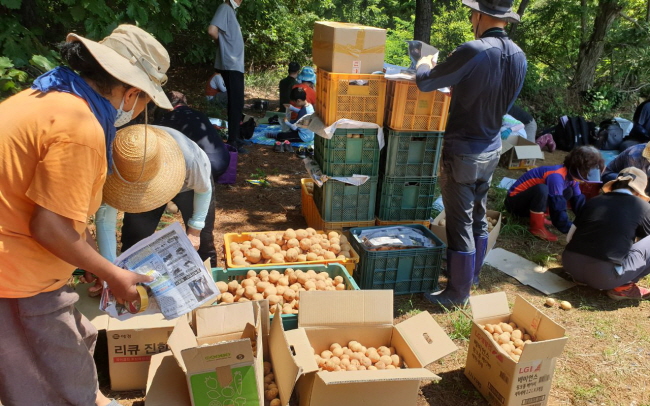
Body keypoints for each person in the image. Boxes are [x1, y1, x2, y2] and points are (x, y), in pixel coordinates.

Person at [0, 25, 171, 406]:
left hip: (21, 267)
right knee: (49, 386)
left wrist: (96, 266)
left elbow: (64, 218)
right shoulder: (80, 129)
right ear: (131, 94)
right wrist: (113, 274)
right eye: (145, 101)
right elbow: (49, 226)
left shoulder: (45, 98)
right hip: (15, 279)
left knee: (77, 347)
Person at [415, 0, 527, 306]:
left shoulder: (475, 49)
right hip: (491, 146)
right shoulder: (519, 56)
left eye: (472, 14)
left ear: (479, 15)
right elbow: (499, 99)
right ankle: (472, 277)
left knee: (459, 219)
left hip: (463, 149)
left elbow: (426, 82)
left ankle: (456, 292)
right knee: (478, 213)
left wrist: (423, 60)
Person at [96, 124, 216, 271]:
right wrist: (110, 271)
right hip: (137, 190)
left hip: (189, 187)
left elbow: (203, 190)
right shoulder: (111, 163)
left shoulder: (189, 157)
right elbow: (105, 220)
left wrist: (195, 230)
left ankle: (210, 282)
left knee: (201, 242)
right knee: (133, 240)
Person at [563, 167, 650, 300]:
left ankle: (581, 279)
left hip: (570, 266)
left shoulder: (594, 201)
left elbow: (569, 238)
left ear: (614, 184)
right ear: (638, 192)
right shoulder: (643, 207)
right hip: (603, 277)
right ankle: (623, 287)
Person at [504, 146, 604, 242]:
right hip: (514, 204)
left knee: (569, 191)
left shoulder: (572, 178)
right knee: (542, 189)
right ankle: (537, 228)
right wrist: (570, 229)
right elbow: (557, 207)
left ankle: (541, 216)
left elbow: (578, 202)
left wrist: (587, 222)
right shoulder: (556, 176)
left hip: (528, 204)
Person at [156, 91, 231, 180]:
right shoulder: (199, 114)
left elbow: (157, 138)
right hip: (224, 162)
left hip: (205, 168)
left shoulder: (170, 117)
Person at [208, 0, 247, 153]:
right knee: (235, 102)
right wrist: (222, 44)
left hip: (234, 64)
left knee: (238, 102)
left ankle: (235, 137)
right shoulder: (224, 8)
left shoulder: (230, 10)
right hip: (230, 64)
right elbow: (212, 30)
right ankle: (232, 140)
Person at [271, 87, 315, 153]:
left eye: (294, 102)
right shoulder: (309, 106)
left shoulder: (304, 113)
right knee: (290, 123)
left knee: (281, 136)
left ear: (298, 100)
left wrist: (286, 121)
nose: (294, 104)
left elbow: (294, 127)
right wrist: (291, 107)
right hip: (309, 132)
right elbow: (300, 111)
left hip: (304, 137)